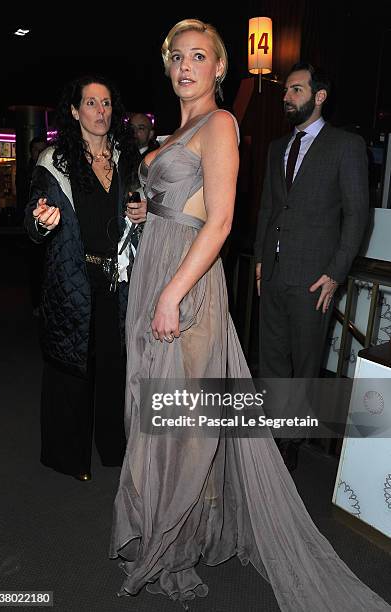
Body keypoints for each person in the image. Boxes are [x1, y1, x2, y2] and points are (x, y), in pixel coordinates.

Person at [109, 20, 390, 611]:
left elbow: (220, 220)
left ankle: (179, 539)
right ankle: (166, 525)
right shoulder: (181, 128)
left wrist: (170, 293)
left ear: (219, 69)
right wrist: (147, 212)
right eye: (177, 57)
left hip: (185, 285)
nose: (186, 66)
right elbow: (192, 205)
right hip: (159, 271)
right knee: (155, 408)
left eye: (199, 57)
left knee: (186, 419)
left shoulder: (222, 124)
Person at [24, 75, 146, 481]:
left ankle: (114, 448)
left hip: (118, 280)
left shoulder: (127, 159)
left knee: (115, 365)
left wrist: (143, 215)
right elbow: (32, 217)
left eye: (107, 103)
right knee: (71, 366)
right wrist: (41, 223)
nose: (100, 111)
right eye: (91, 103)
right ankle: (66, 456)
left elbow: (142, 214)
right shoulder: (55, 161)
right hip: (72, 279)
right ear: (74, 111)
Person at [253, 62, 369, 470]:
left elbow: (357, 214)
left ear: (319, 96)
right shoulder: (276, 148)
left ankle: (290, 444)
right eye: (286, 91)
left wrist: (337, 272)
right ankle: (269, 434)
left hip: (314, 278)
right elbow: (269, 206)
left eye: (296, 90)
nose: (287, 97)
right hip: (276, 271)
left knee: (304, 363)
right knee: (271, 359)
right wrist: (261, 259)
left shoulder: (345, 146)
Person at [26, 136, 48, 316]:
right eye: (36, 150)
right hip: (31, 227)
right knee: (35, 267)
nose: (40, 153)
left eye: (43, 149)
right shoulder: (27, 172)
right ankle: (36, 303)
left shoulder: (49, 169)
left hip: (49, 225)